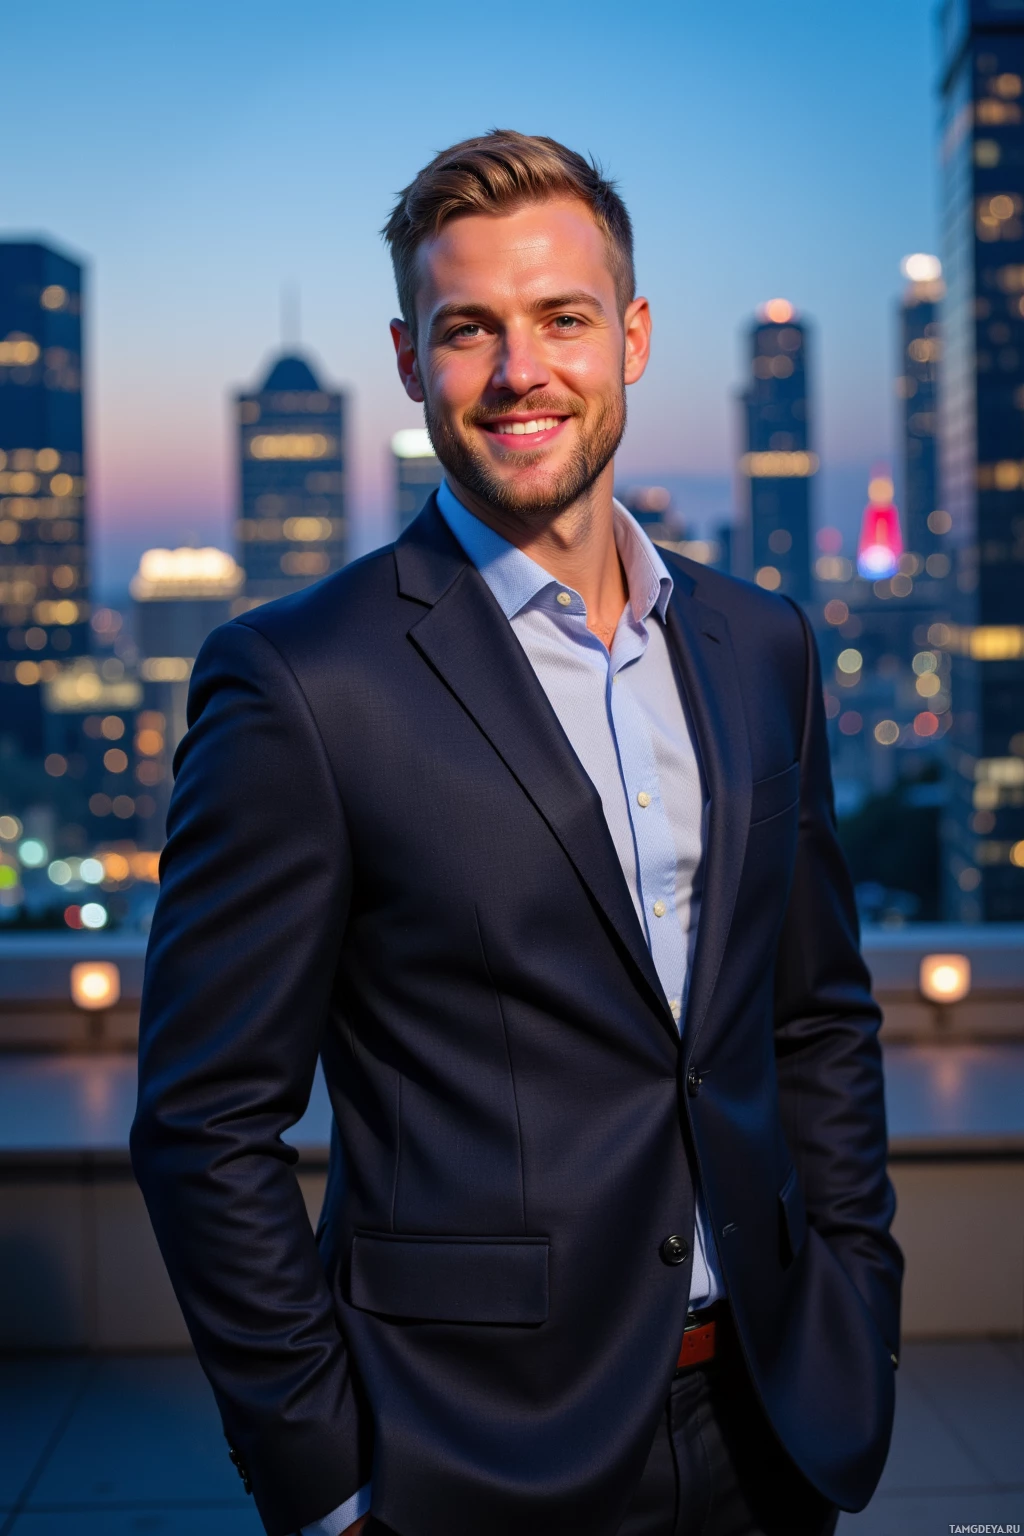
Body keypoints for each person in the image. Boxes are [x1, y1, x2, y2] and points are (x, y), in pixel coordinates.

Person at [131, 130, 902, 1536]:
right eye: (468, 329)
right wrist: (326, 1482)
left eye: (562, 318)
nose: (519, 370)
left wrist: (860, 1289)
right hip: (469, 1455)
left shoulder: (762, 646)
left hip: (774, 1416)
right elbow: (203, 1123)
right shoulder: (303, 682)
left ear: (636, 335)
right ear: (413, 362)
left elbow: (815, 1018)